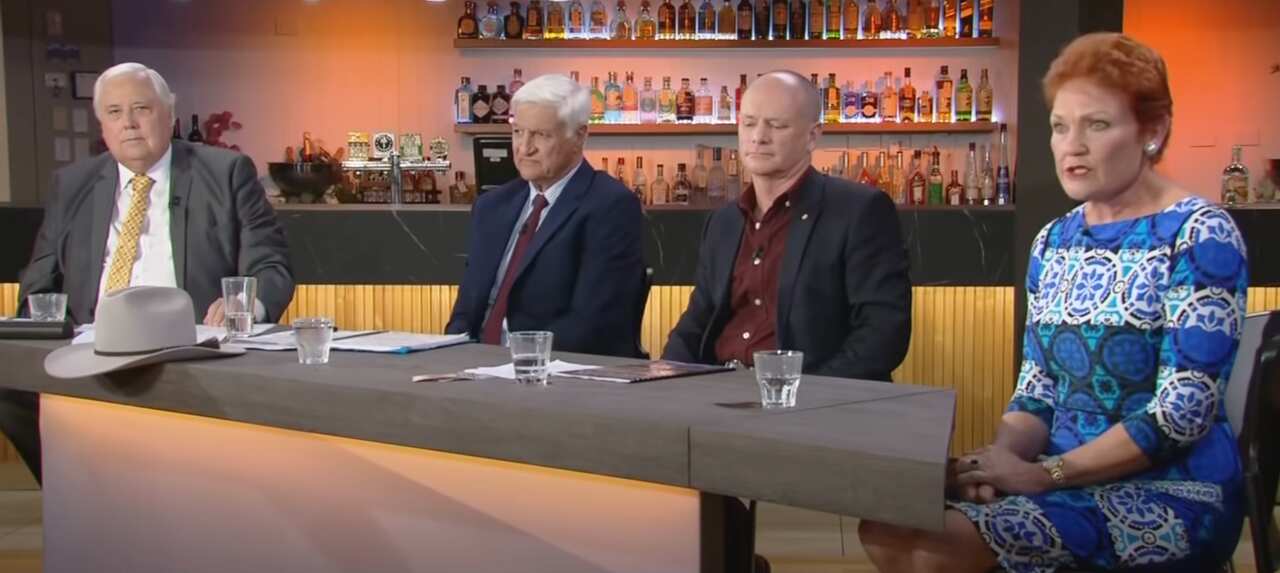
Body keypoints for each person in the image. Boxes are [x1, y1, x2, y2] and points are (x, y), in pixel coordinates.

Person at [858, 33, 1248, 573]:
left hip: (1172, 490)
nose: (1072, 145)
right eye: (1060, 126)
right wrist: (1000, 461)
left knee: (935, 548)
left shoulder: (1201, 233)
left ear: (1153, 131)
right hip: (1055, 472)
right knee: (886, 526)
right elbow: (1037, 388)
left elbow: (1181, 414)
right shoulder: (1054, 241)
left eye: (1097, 125)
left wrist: (1047, 475)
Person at [2, 62, 294, 483]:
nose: (129, 123)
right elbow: (39, 281)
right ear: (102, 125)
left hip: (188, 349)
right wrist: (42, 326)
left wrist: (247, 305)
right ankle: (76, 488)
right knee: (9, 387)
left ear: (169, 114)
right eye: (115, 112)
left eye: (141, 109)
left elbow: (270, 265)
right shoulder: (73, 183)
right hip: (92, 348)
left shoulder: (225, 173)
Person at [661, 70, 912, 382]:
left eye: (776, 125)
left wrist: (804, 394)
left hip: (813, 397)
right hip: (718, 390)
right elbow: (696, 322)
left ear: (812, 136)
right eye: (749, 123)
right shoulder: (724, 222)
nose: (758, 137)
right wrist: (664, 381)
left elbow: (883, 334)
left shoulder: (859, 211)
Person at [445, 73, 646, 357]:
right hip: (475, 367)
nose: (525, 148)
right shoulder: (491, 206)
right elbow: (465, 313)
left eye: (541, 135)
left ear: (579, 137)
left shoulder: (610, 206)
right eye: (518, 132)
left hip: (552, 369)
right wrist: (450, 359)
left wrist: (519, 363)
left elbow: (592, 325)